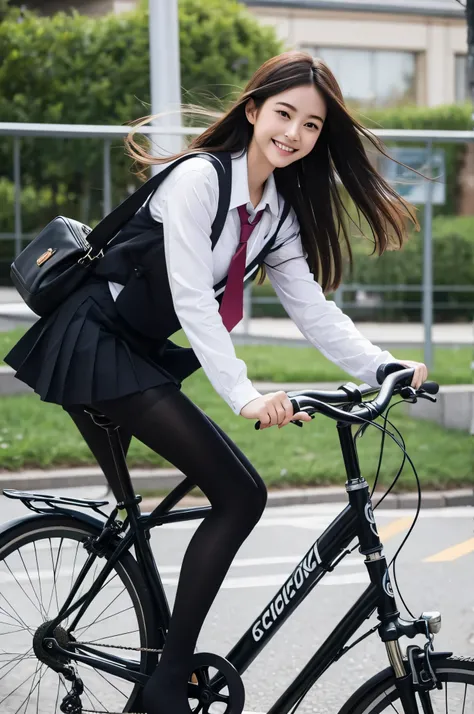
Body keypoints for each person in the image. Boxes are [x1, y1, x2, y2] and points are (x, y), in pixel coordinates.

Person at [4, 50, 428, 713]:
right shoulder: (198, 180)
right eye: (284, 114)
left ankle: (164, 660)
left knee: (212, 498)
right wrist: (246, 394)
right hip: (93, 341)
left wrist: (381, 367)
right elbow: (193, 301)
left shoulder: (277, 212)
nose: (294, 134)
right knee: (239, 494)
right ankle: (168, 684)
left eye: (311, 126)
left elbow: (312, 309)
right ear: (254, 110)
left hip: (134, 350)